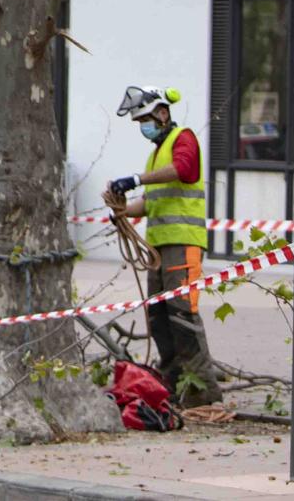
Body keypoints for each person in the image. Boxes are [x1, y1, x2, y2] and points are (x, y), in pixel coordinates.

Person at [105, 85, 221, 406]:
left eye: (145, 118)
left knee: (183, 316)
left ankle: (203, 392)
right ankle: (172, 382)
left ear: (162, 113)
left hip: (183, 245)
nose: (143, 125)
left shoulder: (183, 139)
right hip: (160, 249)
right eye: (139, 120)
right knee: (158, 316)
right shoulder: (156, 152)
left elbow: (183, 170)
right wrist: (122, 211)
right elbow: (151, 201)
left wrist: (137, 179)